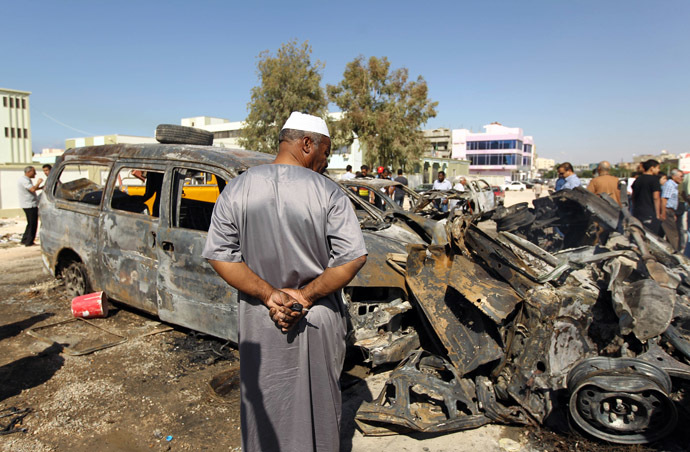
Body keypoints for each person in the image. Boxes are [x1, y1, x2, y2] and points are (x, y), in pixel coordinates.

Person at [202, 112, 367, 452]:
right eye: (325, 151)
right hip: (317, 320)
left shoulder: (238, 187)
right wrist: (305, 296)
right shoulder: (329, 193)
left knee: (266, 407)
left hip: (260, 321)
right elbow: (353, 257)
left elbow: (220, 255)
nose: (326, 160)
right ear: (307, 143)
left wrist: (269, 295)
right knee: (318, 411)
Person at [631, 159, 662, 234]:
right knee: (651, 235)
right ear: (652, 168)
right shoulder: (654, 180)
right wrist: (658, 214)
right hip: (649, 212)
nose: (658, 170)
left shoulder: (638, 179)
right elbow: (656, 197)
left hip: (638, 211)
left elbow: (633, 196)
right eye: (657, 168)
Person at [17, 166, 43, 246]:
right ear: (29, 172)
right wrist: (38, 182)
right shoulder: (24, 180)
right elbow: (32, 189)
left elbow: (32, 189)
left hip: (28, 204)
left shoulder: (26, 180)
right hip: (29, 205)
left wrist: (41, 188)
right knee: (33, 224)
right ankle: (29, 242)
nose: (35, 173)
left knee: (30, 223)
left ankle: (25, 239)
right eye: (34, 172)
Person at [660, 168, 684, 251]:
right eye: (680, 176)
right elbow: (664, 199)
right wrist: (663, 213)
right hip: (667, 210)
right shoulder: (670, 185)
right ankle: (674, 253)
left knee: (669, 234)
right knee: (673, 235)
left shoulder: (674, 185)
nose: (682, 178)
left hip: (671, 211)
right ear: (674, 176)